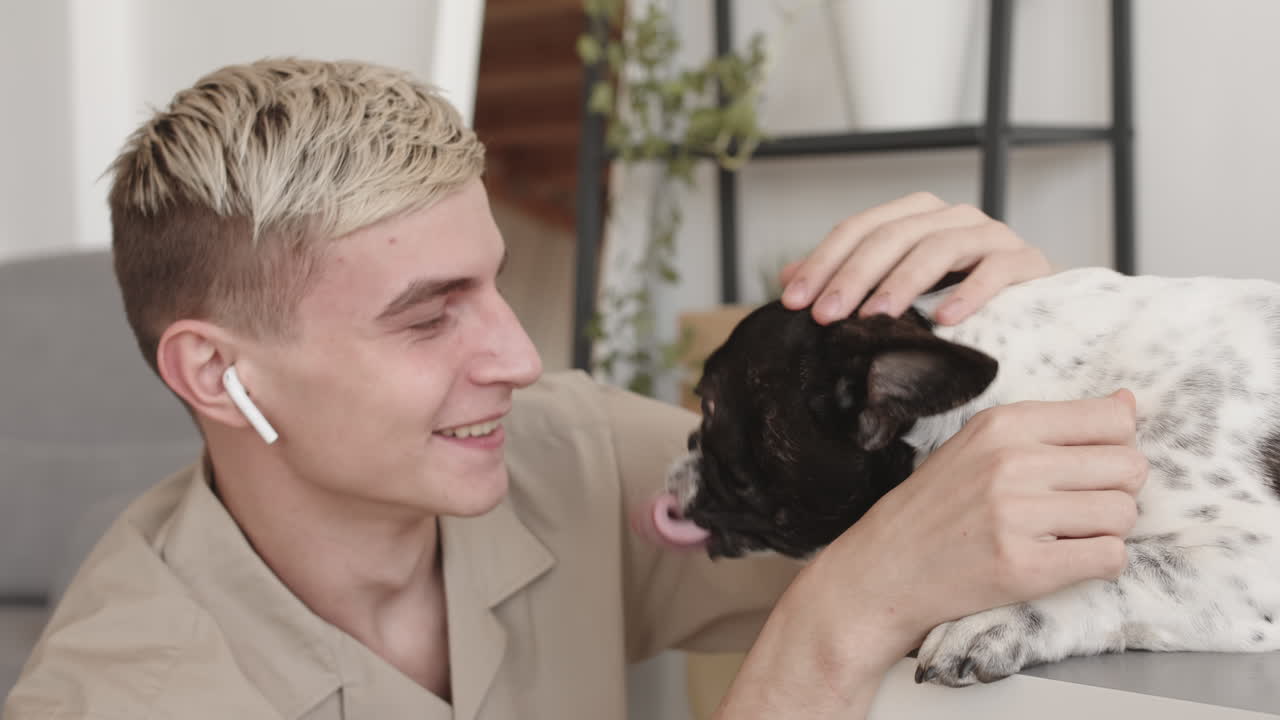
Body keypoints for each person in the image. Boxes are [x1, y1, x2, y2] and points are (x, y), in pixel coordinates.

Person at [2, 58, 1143, 720]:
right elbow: (865, 594)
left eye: (492, 284)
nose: (512, 356)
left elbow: (954, 537)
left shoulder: (564, 457)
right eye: (426, 314)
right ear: (216, 370)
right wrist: (830, 627)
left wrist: (1014, 347)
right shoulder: (119, 699)